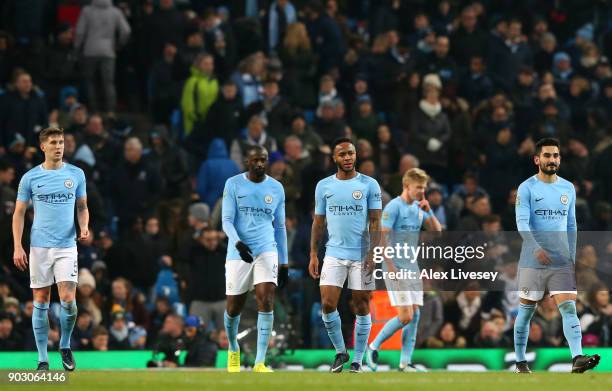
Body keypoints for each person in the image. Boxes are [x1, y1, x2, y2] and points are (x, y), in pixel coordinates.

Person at [513, 137, 600, 374]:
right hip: (533, 260)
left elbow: (571, 225)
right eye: (547, 155)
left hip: (561, 261)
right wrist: (535, 248)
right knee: (527, 310)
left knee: (569, 307)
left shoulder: (568, 188)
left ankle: (577, 358)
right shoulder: (527, 187)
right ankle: (520, 362)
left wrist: (571, 257)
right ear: (537, 159)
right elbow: (521, 223)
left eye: (556, 156)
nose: (552, 160)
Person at [12, 127, 89, 371]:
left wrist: (84, 226)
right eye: (54, 142)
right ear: (43, 147)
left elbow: (82, 206)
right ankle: (43, 359)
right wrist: (18, 246)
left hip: (67, 246)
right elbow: (19, 213)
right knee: (41, 301)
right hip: (39, 247)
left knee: (68, 300)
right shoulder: (30, 178)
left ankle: (65, 345)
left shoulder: (76, 174)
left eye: (62, 142)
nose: (59, 146)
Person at [308, 137, 382, 373]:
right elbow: (318, 223)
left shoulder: (370, 185)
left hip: (362, 254)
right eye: (342, 154)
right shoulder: (324, 186)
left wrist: (373, 252)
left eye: (350, 153)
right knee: (328, 304)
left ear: (355, 155)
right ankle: (341, 352)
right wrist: (313, 254)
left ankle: (358, 360)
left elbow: (376, 221)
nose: (348, 158)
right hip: (334, 253)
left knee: (361, 304)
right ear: (334, 158)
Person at [366, 168, 442, 372]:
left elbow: (437, 232)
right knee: (406, 315)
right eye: (418, 188)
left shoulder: (419, 207)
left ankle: (405, 363)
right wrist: (390, 267)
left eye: (424, 188)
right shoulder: (394, 207)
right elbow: (382, 237)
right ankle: (373, 346)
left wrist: (430, 210)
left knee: (415, 315)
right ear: (407, 186)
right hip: (395, 266)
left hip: (412, 267)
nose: (421, 192)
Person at [221, 146, 288, 373]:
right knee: (233, 308)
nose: (260, 163)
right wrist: (237, 243)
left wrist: (284, 260)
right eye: (256, 159)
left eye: (264, 160)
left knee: (266, 299)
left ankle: (260, 361)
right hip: (238, 252)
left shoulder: (276, 188)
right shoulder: (233, 184)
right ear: (247, 162)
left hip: (266, 249)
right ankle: (233, 348)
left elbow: (279, 227)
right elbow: (227, 220)